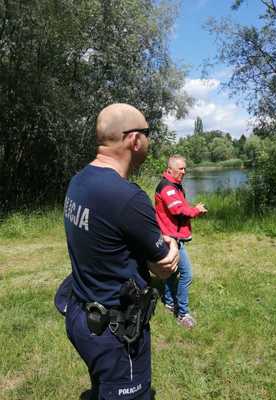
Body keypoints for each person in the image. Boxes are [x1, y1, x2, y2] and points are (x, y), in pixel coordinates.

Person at [63, 103, 179, 400]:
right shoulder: (127, 197)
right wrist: (173, 243)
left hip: (82, 317)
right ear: (135, 139)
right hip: (115, 332)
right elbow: (163, 265)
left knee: (102, 387)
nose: (149, 141)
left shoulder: (79, 181)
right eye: (148, 133)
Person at [155, 155, 207, 329]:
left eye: (185, 168)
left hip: (170, 236)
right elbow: (177, 209)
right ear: (170, 169)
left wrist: (192, 208)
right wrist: (196, 211)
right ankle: (183, 314)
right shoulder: (167, 187)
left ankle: (169, 304)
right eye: (181, 169)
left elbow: (179, 205)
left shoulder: (173, 184)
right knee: (186, 274)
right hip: (171, 239)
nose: (184, 172)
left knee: (172, 273)